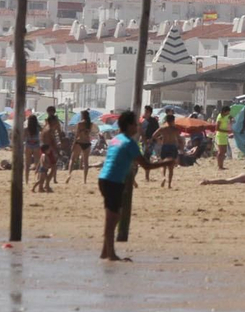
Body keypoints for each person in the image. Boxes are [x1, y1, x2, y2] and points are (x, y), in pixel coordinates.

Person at [97, 110, 173, 262]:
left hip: (104, 178)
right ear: (129, 126)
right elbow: (146, 166)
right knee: (112, 219)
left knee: (112, 216)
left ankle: (105, 251)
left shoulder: (116, 139)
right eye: (136, 124)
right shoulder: (129, 143)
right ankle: (110, 255)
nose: (138, 127)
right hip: (114, 181)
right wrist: (167, 162)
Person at [68, 110, 95, 181]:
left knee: (72, 159)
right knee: (86, 162)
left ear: (82, 115)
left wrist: (73, 144)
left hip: (80, 142)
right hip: (87, 143)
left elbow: (76, 135)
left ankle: (69, 174)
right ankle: (85, 180)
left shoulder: (80, 124)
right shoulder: (90, 124)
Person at [213, 105, 232, 170]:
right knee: (221, 152)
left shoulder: (226, 116)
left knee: (224, 151)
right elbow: (217, 128)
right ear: (224, 111)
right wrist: (227, 131)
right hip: (220, 136)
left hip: (224, 136)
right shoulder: (220, 117)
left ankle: (221, 165)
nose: (228, 113)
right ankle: (219, 166)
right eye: (228, 112)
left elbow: (229, 117)